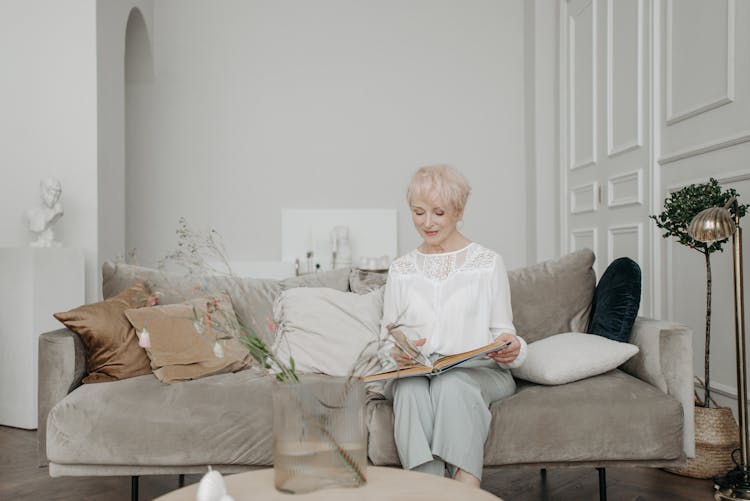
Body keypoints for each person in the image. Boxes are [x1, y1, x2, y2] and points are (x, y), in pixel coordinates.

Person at [381, 165, 527, 488]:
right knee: (408, 389)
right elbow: (386, 341)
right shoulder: (401, 270)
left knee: (452, 385)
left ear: (458, 211)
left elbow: (505, 334)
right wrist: (399, 354)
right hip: (418, 371)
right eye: (419, 212)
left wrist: (512, 348)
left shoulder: (488, 263)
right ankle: (428, 490)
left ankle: (465, 487)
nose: (427, 222)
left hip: (478, 372)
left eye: (438, 212)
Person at [26, 178, 64, 247]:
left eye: (57, 196)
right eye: (51, 194)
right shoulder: (32, 213)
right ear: (43, 193)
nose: (54, 199)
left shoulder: (58, 210)